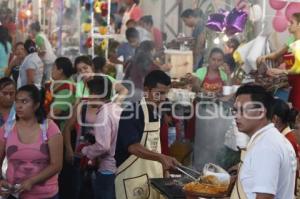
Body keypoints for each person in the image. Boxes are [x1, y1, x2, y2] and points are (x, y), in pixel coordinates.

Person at [115, 70, 180, 199]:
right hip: (132, 182)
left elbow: (157, 146)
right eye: (159, 93)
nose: (162, 98)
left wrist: (165, 172)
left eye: (165, 94)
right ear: (146, 90)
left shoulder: (157, 114)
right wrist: (162, 158)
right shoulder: (131, 112)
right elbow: (133, 147)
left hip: (154, 180)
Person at [230, 84, 297, 199]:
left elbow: (264, 196)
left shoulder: (266, 146)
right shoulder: (267, 139)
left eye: (243, 109)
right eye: (235, 110)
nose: (236, 115)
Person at [0, 85, 63, 199]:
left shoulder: (49, 127)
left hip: (46, 195)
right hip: (14, 194)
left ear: (36, 105)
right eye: (17, 101)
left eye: (24, 101)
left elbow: (56, 165)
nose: (19, 106)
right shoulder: (6, 129)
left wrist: (32, 181)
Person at [80, 76, 123, 199]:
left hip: (107, 169)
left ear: (95, 94)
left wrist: (86, 151)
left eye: (89, 93)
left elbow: (103, 146)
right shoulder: (116, 109)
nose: (88, 98)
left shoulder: (102, 115)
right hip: (119, 166)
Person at [257, 13, 300, 111]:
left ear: (299, 25)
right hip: (290, 85)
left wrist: (281, 71)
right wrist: (264, 57)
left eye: (291, 22)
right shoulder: (291, 40)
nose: (288, 24)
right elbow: (276, 54)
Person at [44, 57, 76, 129]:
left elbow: (54, 112)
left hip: (58, 129)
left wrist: (40, 128)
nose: (51, 71)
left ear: (60, 70)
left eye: (53, 68)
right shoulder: (56, 83)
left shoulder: (67, 89)